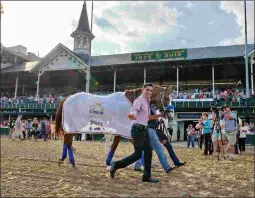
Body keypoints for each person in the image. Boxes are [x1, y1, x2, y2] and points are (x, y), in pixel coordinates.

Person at [110, 83, 159, 183]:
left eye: (150, 90)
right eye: (147, 90)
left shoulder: (147, 100)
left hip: (144, 129)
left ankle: (146, 176)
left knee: (149, 152)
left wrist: (159, 115)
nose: (149, 92)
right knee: (137, 154)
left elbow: (146, 117)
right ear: (142, 90)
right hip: (137, 130)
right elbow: (134, 110)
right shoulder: (139, 100)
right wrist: (132, 115)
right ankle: (116, 165)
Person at [132, 104, 185, 173]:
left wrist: (159, 121)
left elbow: (157, 122)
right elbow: (148, 119)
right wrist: (159, 116)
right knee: (158, 149)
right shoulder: (149, 107)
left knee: (145, 150)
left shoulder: (152, 108)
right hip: (152, 131)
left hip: (152, 131)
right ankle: (167, 167)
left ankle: (136, 165)